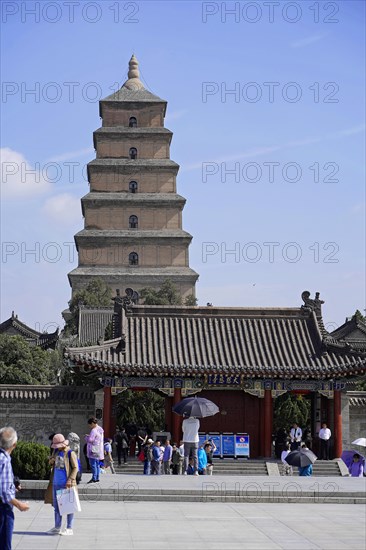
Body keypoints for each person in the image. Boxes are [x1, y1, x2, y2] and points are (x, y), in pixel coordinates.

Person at [0, 427, 29, 550]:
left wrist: (12, 485)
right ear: (14, 445)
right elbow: (4, 492)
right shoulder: (4, 460)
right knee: (4, 544)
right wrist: (19, 504)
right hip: (3, 509)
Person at [45, 433, 78, 536]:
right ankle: (57, 527)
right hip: (55, 482)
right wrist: (51, 460)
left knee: (69, 506)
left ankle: (69, 528)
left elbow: (75, 468)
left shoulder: (70, 453)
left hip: (66, 483)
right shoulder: (55, 451)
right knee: (56, 506)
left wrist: (70, 480)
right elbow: (51, 463)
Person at [85, 417, 104, 483]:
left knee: (93, 464)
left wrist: (87, 437)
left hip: (93, 450)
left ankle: (94, 478)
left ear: (93, 423)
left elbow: (91, 440)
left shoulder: (93, 430)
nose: (89, 426)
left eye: (90, 425)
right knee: (97, 464)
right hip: (98, 449)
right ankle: (97, 477)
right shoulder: (100, 429)